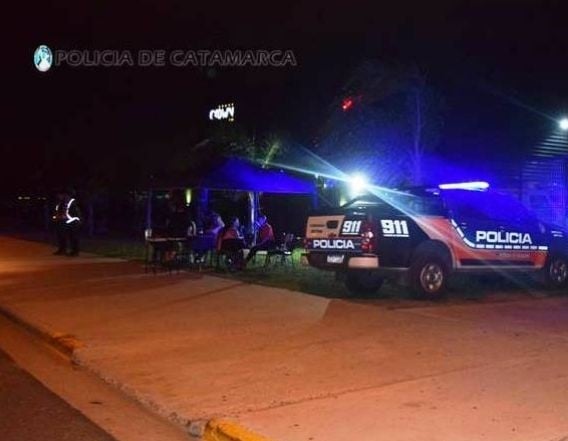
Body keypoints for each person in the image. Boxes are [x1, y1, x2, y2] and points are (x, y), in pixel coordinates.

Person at [52, 190, 82, 256]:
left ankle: (75, 251)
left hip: (72, 222)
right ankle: (62, 250)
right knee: (61, 236)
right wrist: (57, 217)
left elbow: (74, 212)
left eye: (60, 195)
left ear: (65, 195)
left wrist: (65, 216)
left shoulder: (72, 202)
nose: (58, 196)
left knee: (73, 237)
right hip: (63, 222)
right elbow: (59, 211)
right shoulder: (61, 202)